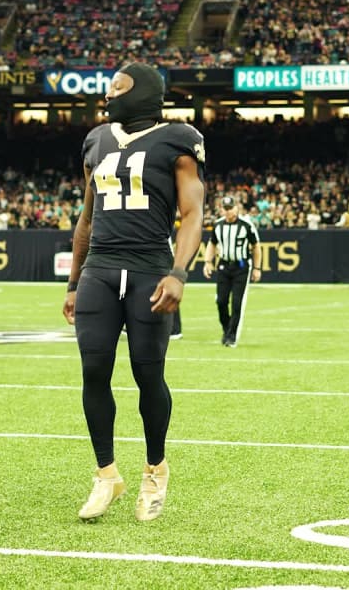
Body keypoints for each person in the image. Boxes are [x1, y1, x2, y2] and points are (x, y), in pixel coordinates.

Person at [61, 62, 205, 523]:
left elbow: (193, 210)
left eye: (117, 88)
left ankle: (155, 470)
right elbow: (87, 215)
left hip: (148, 268)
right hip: (100, 269)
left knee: (148, 374)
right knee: (94, 370)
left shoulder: (178, 138)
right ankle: (107, 475)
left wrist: (179, 272)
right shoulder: (97, 140)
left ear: (142, 92)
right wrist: (72, 281)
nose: (108, 96)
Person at [203, 196, 262, 348]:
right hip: (223, 265)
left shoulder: (247, 225)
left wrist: (257, 268)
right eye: (226, 208)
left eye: (231, 208)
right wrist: (208, 262)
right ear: (221, 210)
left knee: (237, 303)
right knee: (221, 301)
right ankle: (226, 328)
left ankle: (231, 336)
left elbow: (256, 247)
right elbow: (212, 244)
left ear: (237, 208)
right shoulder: (218, 225)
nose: (229, 211)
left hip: (241, 267)